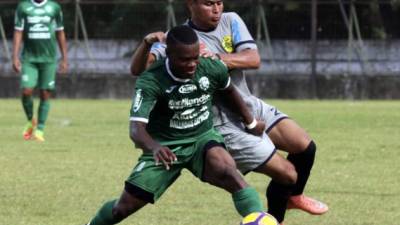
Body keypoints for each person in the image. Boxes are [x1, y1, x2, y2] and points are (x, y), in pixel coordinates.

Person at [130, 0, 328, 224]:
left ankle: (293, 197)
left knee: (305, 146)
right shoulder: (180, 39)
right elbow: (140, 69)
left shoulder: (231, 20)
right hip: (221, 120)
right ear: (190, 4)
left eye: (219, 2)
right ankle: (273, 219)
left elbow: (253, 59)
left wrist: (215, 58)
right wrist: (147, 43)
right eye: (208, 4)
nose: (216, 9)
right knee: (287, 174)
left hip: (248, 104)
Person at [85, 25, 268, 225]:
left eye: (195, 57)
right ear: (168, 54)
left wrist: (250, 122)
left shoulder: (210, 67)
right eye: (184, 59)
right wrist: (155, 148)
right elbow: (136, 129)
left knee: (231, 173)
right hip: (165, 147)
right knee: (121, 209)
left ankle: (257, 220)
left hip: (202, 139)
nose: (192, 64)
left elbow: (229, 91)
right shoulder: (152, 80)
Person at [12, 0, 68, 142]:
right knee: (26, 91)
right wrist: (15, 56)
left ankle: (40, 130)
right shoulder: (23, 7)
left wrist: (64, 58)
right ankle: (31, 120)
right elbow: (18, 32)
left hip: (48, 59)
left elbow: (60, 32)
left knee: (45, 93)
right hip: (29, 58)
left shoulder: (54, 8)